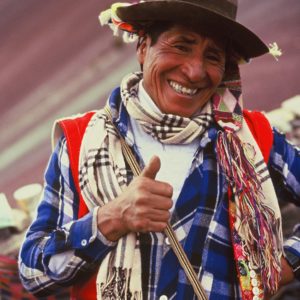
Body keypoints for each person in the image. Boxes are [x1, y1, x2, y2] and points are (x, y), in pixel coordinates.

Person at [19, 1, 300, 299]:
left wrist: (285, 263)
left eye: (213, 56)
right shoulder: (79, 142)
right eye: (180, 46)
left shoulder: (249, 140)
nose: (194, 71)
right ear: (143, 47)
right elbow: (33, 275)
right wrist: (111, 219)